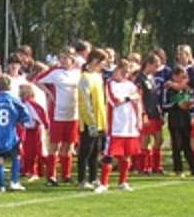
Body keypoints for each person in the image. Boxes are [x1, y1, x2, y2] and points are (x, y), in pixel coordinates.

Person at [36, 50, 81, 186]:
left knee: (68, 145)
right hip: (58, 114)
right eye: (61, 58)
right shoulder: (55, 72)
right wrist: (49, 93)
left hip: (73, 113)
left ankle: (66, 175)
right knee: (54, 145)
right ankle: (51, 176)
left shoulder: (78, 73)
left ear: (72, 59)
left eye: (66, 58)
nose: (63, 60)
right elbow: (37, 80)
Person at [101, 62, 143, 192]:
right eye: (122, 71)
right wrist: (130, 98)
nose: (125, 75)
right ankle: (104, 183)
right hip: (115, 124)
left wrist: (139, 118)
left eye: (127, 72)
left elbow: (138, 101)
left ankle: (123, 182)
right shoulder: (109, 84)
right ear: (117, 70)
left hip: (129, 125)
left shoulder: (130, 85)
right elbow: (115, 101)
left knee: (126, 154)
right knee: (109, 153)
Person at [0, 75, 29, 192]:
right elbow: (26, 115)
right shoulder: (14, 100)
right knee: (16, 156)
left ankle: (1, 185)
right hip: (10, 133)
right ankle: (14, 181)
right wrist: (18, 120)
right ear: (10, 86)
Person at [76, 49, 108, 190]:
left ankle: (93, 178)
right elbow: (84, 102)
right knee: (86, 150)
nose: (104, 65)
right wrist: (91, 121)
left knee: (96, 150)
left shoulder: (98, 76)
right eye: (102, 62)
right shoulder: (84, 78)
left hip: (100, 119)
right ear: (95, 61)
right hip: (89, 121)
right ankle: (82, 179)